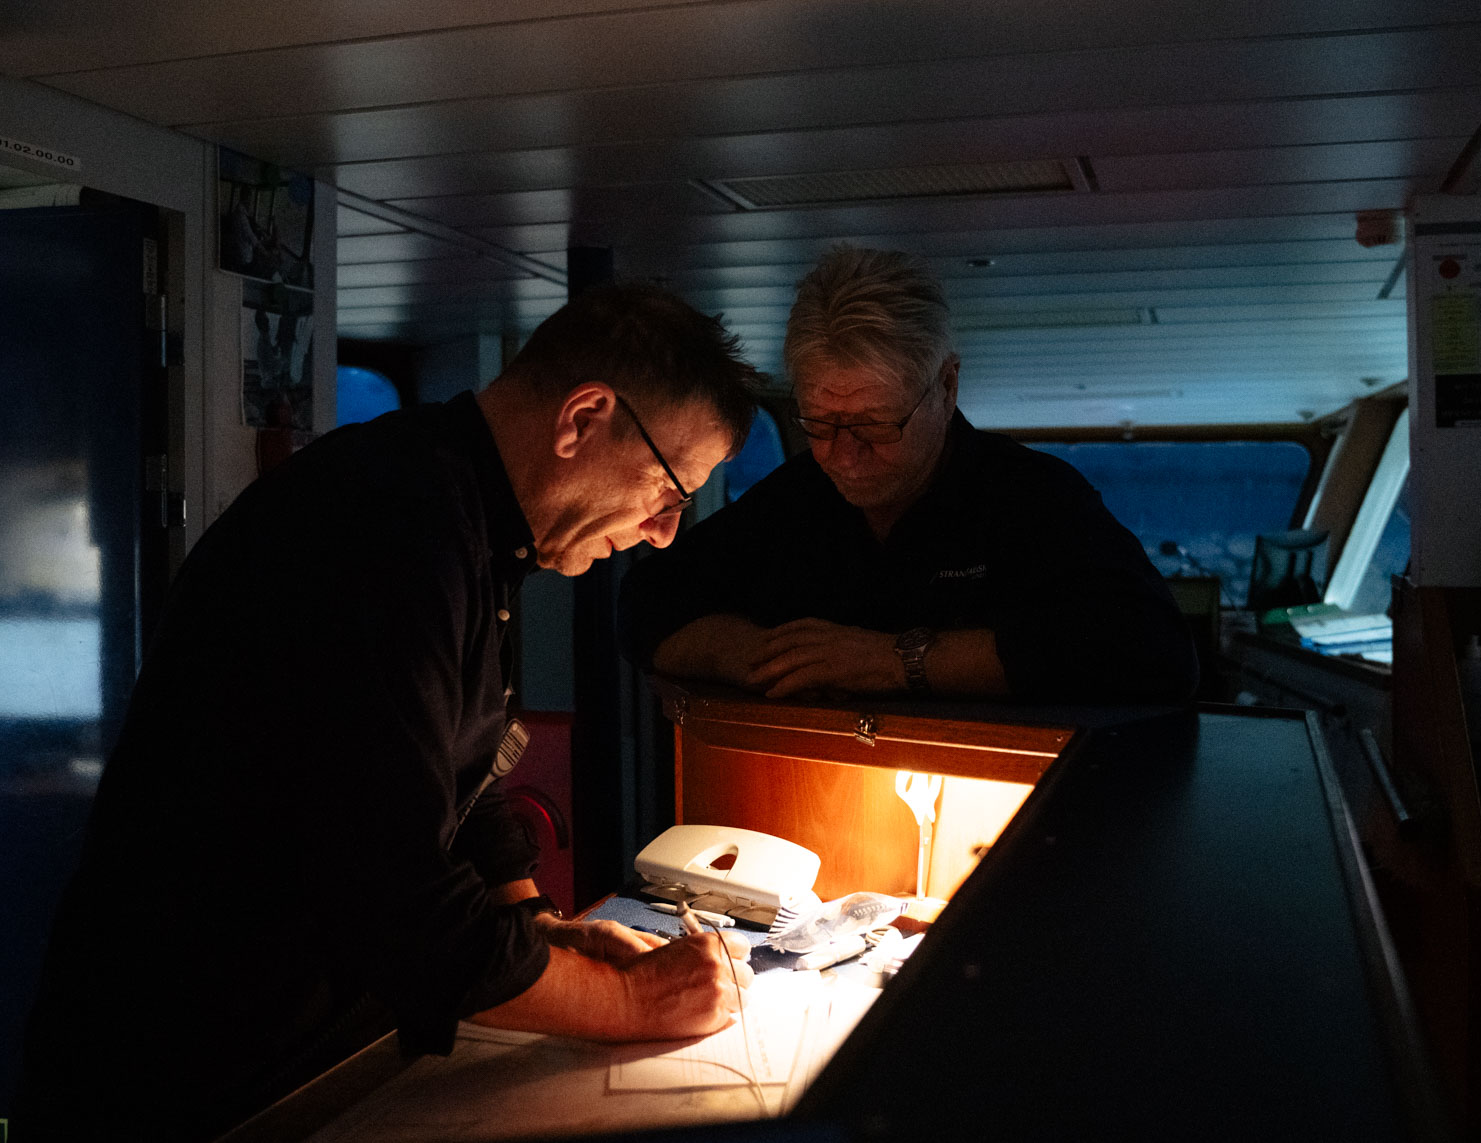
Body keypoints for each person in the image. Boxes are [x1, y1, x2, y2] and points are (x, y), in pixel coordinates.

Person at [18, 284, 760, 1142]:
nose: (666, 532)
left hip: (298, 1052)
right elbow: (400, 903)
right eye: (671, 489)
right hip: (173, 1080)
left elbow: (462, 782)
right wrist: (630, 1000)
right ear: (582, 419)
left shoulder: (474, 527)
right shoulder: (383, 531)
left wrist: (540, 929)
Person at [619, 247, 1198, 703]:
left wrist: (897, 661)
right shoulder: (795, 501)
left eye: (874, 426)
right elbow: (646, 603)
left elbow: (1152, 649)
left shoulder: (1031, 499)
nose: (842, 457)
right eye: (820, 423)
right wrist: (755, 657)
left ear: (945, 386)